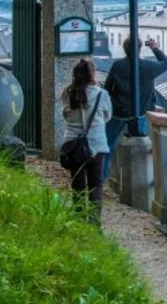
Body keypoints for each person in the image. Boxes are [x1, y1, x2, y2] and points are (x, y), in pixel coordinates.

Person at [102, 36, 167, 182]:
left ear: (124, 49)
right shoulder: (148, 67)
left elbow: (107, 88)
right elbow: (166, 63)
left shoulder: (118, 66)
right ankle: (143, 181)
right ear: (140, 49)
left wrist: (117, 100)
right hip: (141, 113)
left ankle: (101, 178)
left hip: (119, 112)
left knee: (106, 146)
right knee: (145, 147)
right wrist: (155, 48)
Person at [60, 58, 112, 225]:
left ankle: (80, 221)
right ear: (92, 74)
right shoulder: (101, 94)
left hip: (73, 145)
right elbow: (108, 115)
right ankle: (95, 222)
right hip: (96, 145)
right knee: (96, 184)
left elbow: (65, 115)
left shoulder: (67, 93)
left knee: (78, 185)